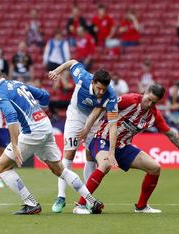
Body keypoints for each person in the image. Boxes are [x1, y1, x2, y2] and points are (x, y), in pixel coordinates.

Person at [0, 64, 104, 215]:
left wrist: (14, 144)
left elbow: (11, 116)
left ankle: (31, 203)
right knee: (59, 169)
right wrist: (42, 111)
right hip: (45, 125)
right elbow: (44, 95)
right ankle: (92, 201)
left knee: (1, 167)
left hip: (31, 132)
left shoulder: (0, 93)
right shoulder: (16, 83)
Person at [73, 84, 179, 214]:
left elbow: (171, 135)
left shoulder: (154, 115)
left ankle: (141, 206)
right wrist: (86, 129)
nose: (149, 104)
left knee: (154, 168)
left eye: (154, 102)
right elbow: (101, 107)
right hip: (102, 139)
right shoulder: (129, 100)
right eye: (148, 99)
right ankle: (81, 205)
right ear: (145, 92)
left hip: (123, 146)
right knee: (105, 164)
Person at [48, 59, 118, 213]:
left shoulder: (111, 95)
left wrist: (112, 151)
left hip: (95, 122)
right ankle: (61, 196)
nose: (101, 92)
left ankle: (88, 198)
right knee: (69, 153)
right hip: (75, 116)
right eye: (99, 88)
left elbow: (113, 125)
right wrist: (56, 71)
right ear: (93, 82)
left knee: (91, 156)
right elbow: (71, 62)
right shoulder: (83, 76)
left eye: (104, 89)